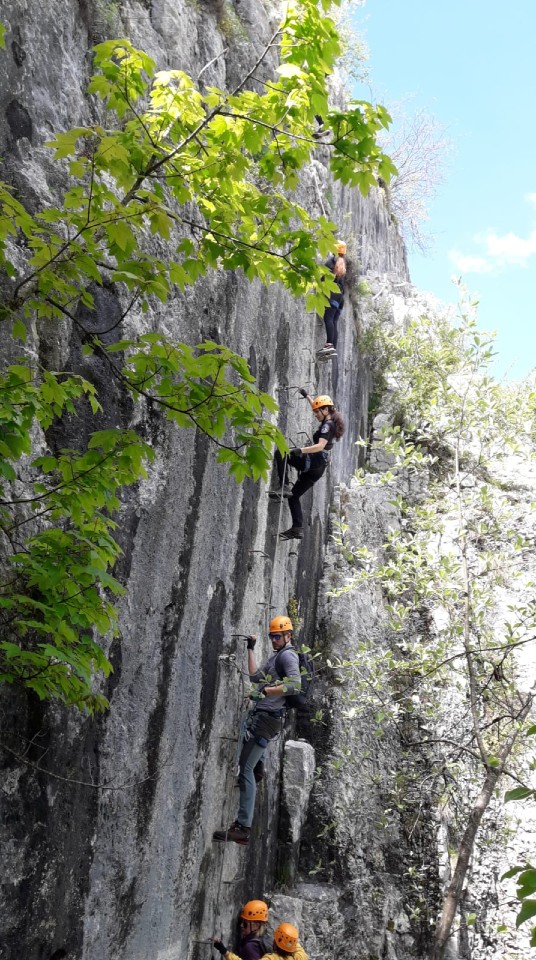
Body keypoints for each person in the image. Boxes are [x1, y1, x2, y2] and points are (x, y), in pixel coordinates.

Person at [213, 617, 301, 845]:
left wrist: (266, 693)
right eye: (272, 636)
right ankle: (259, 769)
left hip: (267, 720)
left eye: (278, 636)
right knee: (251, 768)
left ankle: (243, 827)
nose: (274, 640)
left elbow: (294, 685)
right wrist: (251, 649)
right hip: (263, 718)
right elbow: (254, 678)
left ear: (288, 636)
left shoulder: (288, 655)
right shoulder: (276, 657)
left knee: (245, 770)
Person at [269, 393, 345, 540]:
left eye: (318, 412)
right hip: (318, 469)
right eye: (315, 411)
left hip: (314, 460)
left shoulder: (327, 426)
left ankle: (283, 485)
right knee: (294, 496)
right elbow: (317, 406)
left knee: (281, 453)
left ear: (326, 410)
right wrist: (308, 397)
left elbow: (319, 446)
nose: (316, 414)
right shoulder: (330, 420)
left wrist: (300, 451)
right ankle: (297, 528)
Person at [215, 922, 307, 960]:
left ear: (275, 943)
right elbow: (294, 945)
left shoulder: (271, 958)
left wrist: (224, 951)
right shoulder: (300, 957)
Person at [317, 241, 347, 360]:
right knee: (334, 321)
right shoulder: (342, 265)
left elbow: (324, 275)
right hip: (340, 297)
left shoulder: (332, 260)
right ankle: (332, 348)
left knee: (328, 318)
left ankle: (329, 345)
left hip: (333, 294)